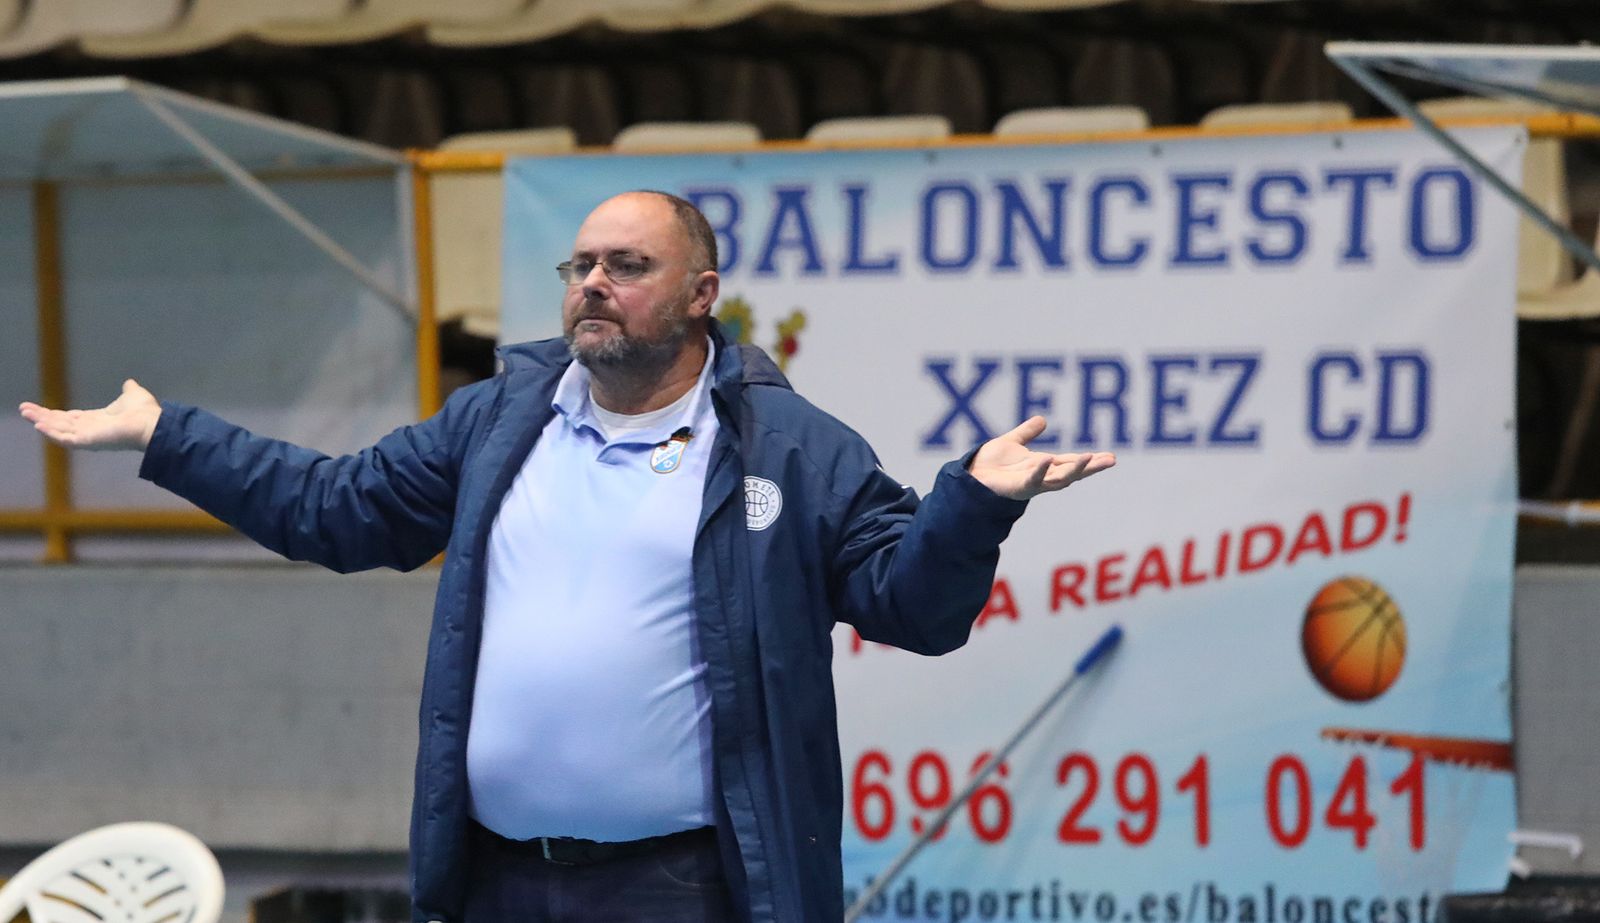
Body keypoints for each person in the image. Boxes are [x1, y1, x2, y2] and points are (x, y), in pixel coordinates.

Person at [19, 190, 1115, 923]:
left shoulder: (789, 444)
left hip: (684, 886)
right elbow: (339, 510)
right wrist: (169, 435)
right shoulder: (499, 420)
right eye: (580, 261)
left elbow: (908, 605)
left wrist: (972, 502)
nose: (592, 280)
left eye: (627, 265)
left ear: (699, 295)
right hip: (493, 876)